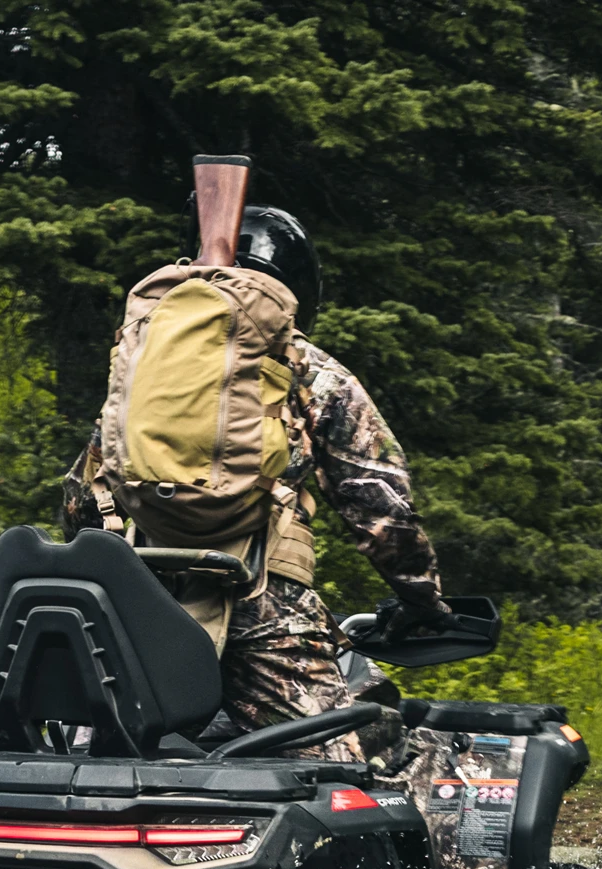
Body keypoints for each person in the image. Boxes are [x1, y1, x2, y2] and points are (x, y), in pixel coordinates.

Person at [61, 206, 452, 760]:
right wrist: (422, 602)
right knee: (341, 769)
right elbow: (383, 512)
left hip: (135, 602)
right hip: (260, 603)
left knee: (99, 762)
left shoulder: (142, 369)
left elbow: (81, 501)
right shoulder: (310, 371)